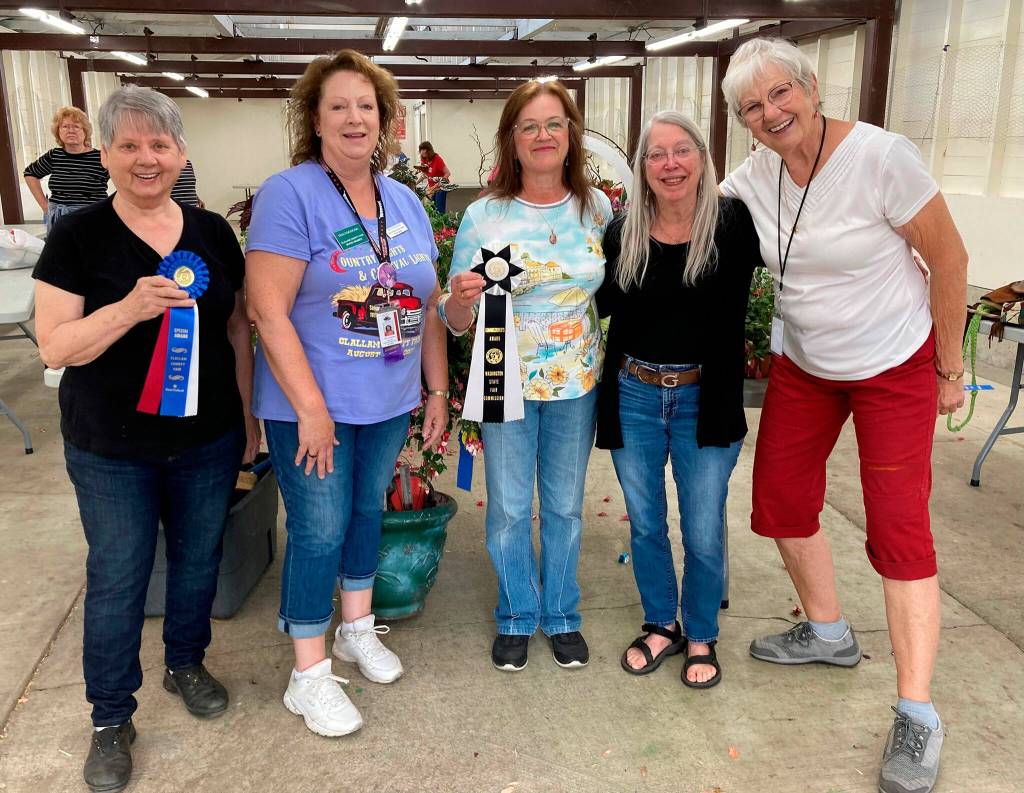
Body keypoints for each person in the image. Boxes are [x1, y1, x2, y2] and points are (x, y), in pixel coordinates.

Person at [719, 38, 968, 793]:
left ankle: (917, 713)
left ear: (811, 86)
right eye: (751, 107)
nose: (770, 113)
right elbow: (685, 202)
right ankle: (827, 631)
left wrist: (950, 367)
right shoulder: (756, 177)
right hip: (807, 366)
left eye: (779, 94)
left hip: (894, 364)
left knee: (899, 531)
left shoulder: (882, 157)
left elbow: (949, 259)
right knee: (780, 504)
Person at [31, 86, 259, 793]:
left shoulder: (213, 232)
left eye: (159, 144)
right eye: (128, 145)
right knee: (119, 574)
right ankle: (109, 716)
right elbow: (55, 344)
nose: (146, 158)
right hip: (110, 447)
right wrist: (128, 309)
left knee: (198, 561)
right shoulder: (76, 235)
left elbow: (236, 328)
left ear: (182, 153)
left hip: (208, 437)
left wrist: (248, 421)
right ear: (105, 155)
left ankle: (185, 660)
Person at [245, 49, 448, 738]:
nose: (356, 118)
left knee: (365, 510)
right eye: (340, 106)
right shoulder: (290, 192)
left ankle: (355, 627)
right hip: (312, 404)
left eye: (368, 106)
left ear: (387, 121)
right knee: (319, 527)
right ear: (315, 118)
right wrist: (309, 408)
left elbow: (424, 301)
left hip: (387, 397)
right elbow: (267, 310)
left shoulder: (404, 200)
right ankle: (307, 674)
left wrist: (435, 391)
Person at [441, 79, 612, 673]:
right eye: (529, 126)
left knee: (564, 506)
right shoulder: (484, 216)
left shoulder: (597, 208)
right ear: (511, 140)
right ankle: (516, 612)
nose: (543, 136)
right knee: (512, 507)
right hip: (502, 381)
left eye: (554, 125)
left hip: (576, 385)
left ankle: (562, 612)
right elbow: (453, 315)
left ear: (571, 136)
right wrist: (459, 300)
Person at [596, 111, 762, 689]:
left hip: (704, 397)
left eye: (681, 150)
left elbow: (807, 240)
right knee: (645, 523)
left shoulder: (734, 224)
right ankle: (660, 623)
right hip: (636, 393)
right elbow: (591, 301)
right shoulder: (623, 233)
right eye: (656, 154)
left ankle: (700, 633)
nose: (670, 164)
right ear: (642, 168)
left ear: (702, 158)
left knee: (703, 528)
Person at [23, 105, 109, 231]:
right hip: (59, 219)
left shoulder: (100, 157)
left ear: (85, 131)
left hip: (92, 218)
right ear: (58, 131)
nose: (71, 130)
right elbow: (30, 173)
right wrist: (44, 206)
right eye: (65, 126)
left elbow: (123, 177)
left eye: (76, 126)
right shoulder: (54, 155)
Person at [417, 140, 451, 213]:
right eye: (421, 150)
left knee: (439, 209)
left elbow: (447, 173)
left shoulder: (437, 159)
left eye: (424, 149)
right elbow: (424, 175)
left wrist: (439, 183)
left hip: (440, 187)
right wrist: (415, 183)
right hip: (432, 188)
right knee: (432, 208)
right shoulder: (424, 159)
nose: (422, 152)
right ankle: (435, 224)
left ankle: (442, 224)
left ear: (429, 150)